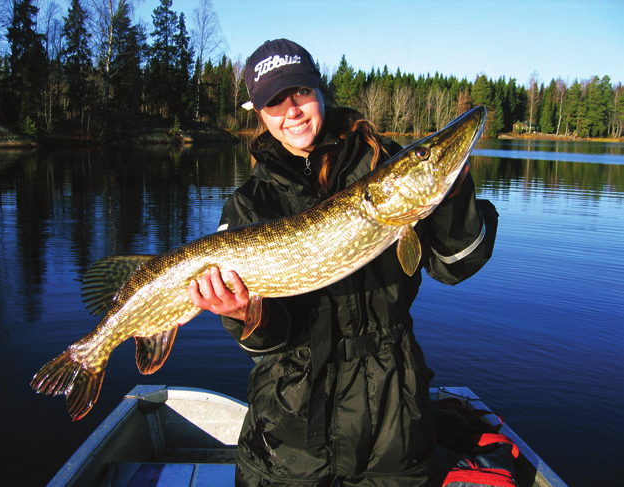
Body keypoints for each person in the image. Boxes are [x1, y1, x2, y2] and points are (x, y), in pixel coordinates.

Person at [188, 39, 498, 487]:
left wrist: (451, 195)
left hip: (391, 422)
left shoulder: (384, 162)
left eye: (300, 93)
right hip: (288, 438)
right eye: (274, 101)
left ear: (320, 91)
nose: (291, 110)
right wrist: (245, 316)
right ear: (259, 114)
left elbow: (457, 265)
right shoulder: (248, 205)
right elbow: (266, 341)